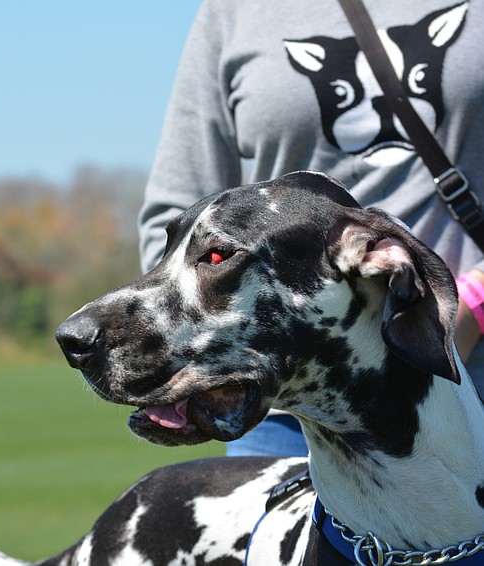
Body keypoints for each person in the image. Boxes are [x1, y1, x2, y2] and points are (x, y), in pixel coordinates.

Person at [138, 0, 484, 456]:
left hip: (470, 378)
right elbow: (178, 208)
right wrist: (194, 350)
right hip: (289, 413)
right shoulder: (234, 11)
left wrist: (472, 306)